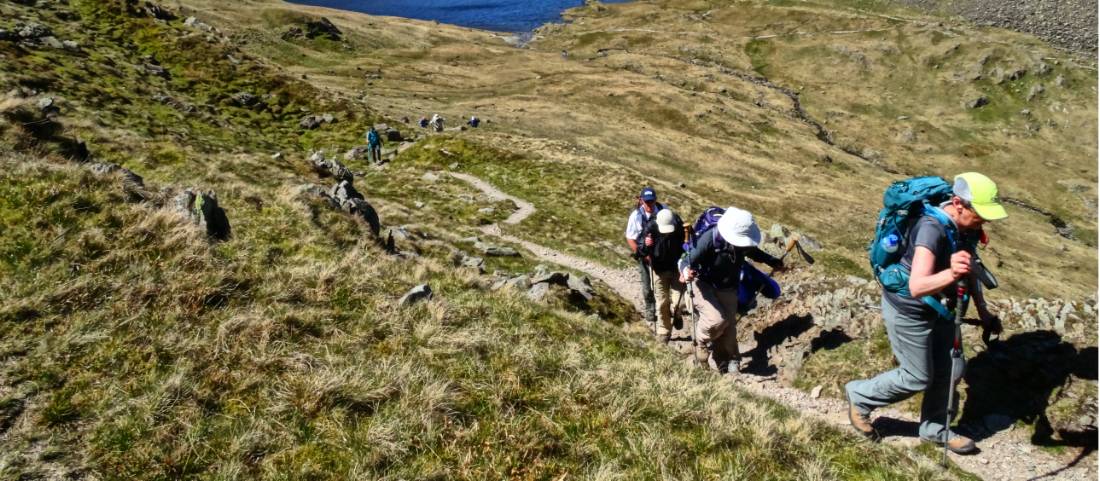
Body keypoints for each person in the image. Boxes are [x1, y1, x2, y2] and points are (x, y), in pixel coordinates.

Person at [845, 172, 1007, 454]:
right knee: (916, 377)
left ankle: (934, 429)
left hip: (943, 310)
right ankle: (860, 396)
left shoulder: (964, 228)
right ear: (958, 203)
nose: (985, 220)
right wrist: (951, 272)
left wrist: (983, 312)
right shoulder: (931, 228)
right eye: (980, 213)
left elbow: (970, 268)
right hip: (910, 310)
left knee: (953, 369)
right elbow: (918, 286)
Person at [679, 207, 783, 376]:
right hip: (703, 283)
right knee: (716, 320)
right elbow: (687, 259)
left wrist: (771, 261)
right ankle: (701, 343)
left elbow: (754, 253)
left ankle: (728, 360)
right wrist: (685, 271)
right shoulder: (710, 238)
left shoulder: (742, 245)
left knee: (729, 327)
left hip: (728, 286)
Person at [636, 208, 687, 344]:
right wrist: (646, 246)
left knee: (680, 302)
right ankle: (664, 331)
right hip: (658, 269)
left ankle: (676, 313)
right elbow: (639, 251)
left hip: (677, 269)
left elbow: (687, 245)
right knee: (661, 302)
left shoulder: (679, 226)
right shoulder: (650, 227)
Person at [624, 187, 664, 326]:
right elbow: (630, 238)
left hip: (662, 255)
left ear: (655, 200)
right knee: (647, 285)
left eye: (652, 201)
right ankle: (650, 309)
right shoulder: (636, 216)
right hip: (645, 256)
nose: (649, 204)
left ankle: (666, 310)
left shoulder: (663, 211)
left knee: (664, 285)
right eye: (646, 202)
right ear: (641, 201)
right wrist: (642, 254)